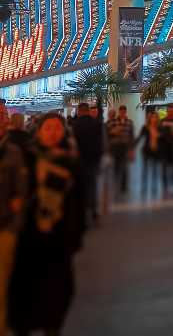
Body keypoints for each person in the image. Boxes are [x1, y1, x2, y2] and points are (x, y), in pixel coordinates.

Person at [7, 113, 86, 336]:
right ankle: (24, 326)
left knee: (58, 289)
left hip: (59, 235)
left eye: (57, 128)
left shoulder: (71, 162)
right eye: (48, 128)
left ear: (64, 132)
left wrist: (77, 235)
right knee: (26, 286)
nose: (53, 133)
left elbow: (79, 201)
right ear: (39, 131)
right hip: (29, 233)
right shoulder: (27, 157)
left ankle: (53, 326)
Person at [1, 106, 29, 336]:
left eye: (5, 115)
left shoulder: (13, 151)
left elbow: (21, 193)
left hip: (5, 227)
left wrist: (14, 227)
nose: (4, 119)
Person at [70, 102, 103, 224]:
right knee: (92, 185)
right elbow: (100, 143)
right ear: (88, 110)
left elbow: (72, 143)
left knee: (81, 186)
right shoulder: (96, 124)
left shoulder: (75, 125)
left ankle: (82, 214)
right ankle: (94, 212)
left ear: (79, 111)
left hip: (79, 160)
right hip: (93, 159)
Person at [105, 105, 135, 196]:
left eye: (124, 111)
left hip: (125, 147)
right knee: (115, 166)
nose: (122, 113)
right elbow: (107, 132)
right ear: (119, 112)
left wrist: (131, 149)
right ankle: (115, 184)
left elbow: (131, 137)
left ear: (125, 112)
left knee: (124, 167)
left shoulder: (130, 122)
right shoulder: (113, 121)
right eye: (121, 111)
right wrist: (113, 132)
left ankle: (123, 186)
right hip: (115, 146)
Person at [135, 112, 163, 197]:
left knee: (155, 169)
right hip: (147, 151)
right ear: (149, 118)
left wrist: (160, 136)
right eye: (152, 117)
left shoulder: (160, 128)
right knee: (145, 170)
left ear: (157, 118)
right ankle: (144, 187)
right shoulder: (145, 127)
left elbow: (163, 139)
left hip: (156, 151)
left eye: (155, 117)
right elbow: (140, 137)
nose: (153, 119)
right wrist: (132, 146)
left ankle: (154, 187)